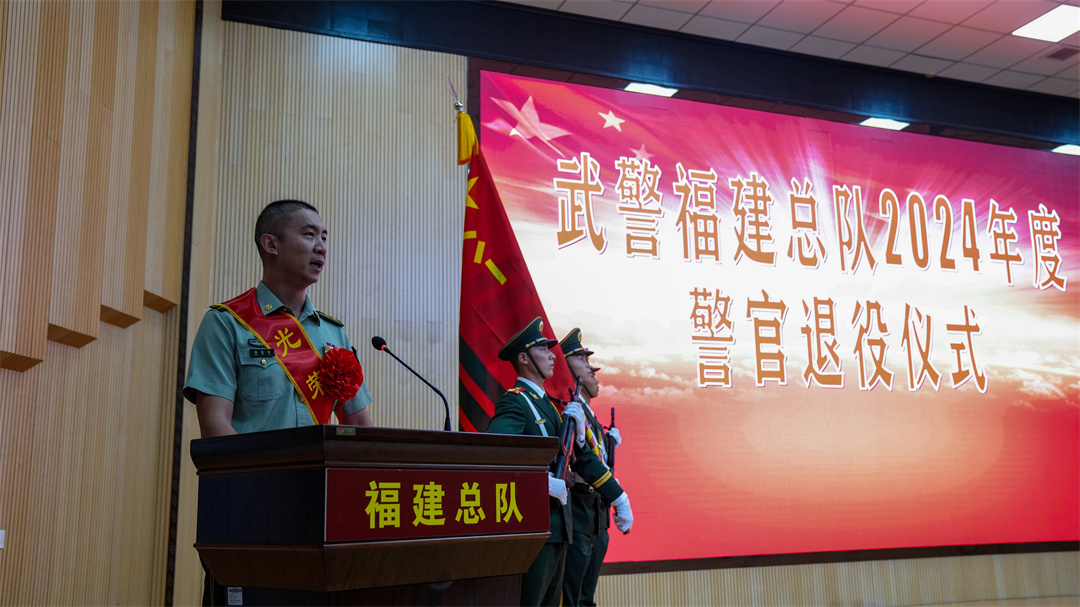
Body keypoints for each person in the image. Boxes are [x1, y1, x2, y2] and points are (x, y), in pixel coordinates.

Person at [183, 199, 374, 604]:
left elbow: (361, 430)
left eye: (325, 237)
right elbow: (216, 428)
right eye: (309, 234)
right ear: (270, 244)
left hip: (322, 517)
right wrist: (265, 495)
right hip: (252, 513)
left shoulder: (334, 334)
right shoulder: (226, 323)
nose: (321, 246)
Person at [486, 317, 628, 606]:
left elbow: (581, 459)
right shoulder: (516, 401)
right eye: (542, 350)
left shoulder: (550, 408)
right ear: (523, 358)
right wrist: (540, 482)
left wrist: (619, 497)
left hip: (560, 528)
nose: (552, 356)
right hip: (534, 528)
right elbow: (495, 454)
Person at [559, 328, 632, 606]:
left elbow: (597, 462)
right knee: (572, 598)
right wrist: (619, 498)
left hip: (595, 518)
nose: (591, 368)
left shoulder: (590, 418)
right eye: (582, 359)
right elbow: (579, 461)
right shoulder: (569, 411)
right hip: (577, 514)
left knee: (586, 597)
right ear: (565, 365)